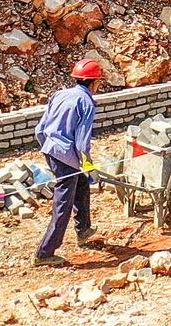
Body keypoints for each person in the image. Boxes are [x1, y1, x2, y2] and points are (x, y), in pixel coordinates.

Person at [32, 59, 103, 266]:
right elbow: (82, 144)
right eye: (98, 82)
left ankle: (83, 229)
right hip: (66, 157)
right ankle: (45, 253)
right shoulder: (87, 103)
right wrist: (89, 166)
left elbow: (39, 129)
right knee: (63, 202)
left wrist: (50, 149)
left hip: (51, 150)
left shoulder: (60, 94)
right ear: (94, 82)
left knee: (81, 184)